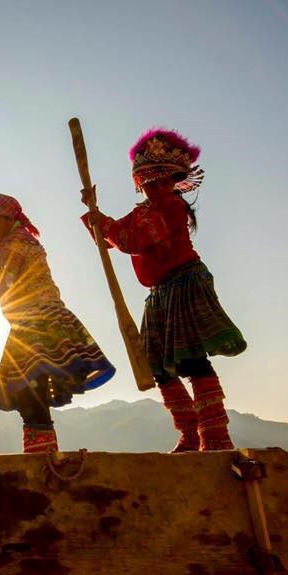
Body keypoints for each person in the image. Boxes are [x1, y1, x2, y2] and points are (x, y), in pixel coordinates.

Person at [81, 129, 246, 452]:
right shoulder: (142, 211)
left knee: (192, 359)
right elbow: (115, 235)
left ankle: (214, 436)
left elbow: (131, 241)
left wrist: (103, 221)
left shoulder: (171, 207)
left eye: (161, 182)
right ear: (140, 183)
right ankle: (188, 432)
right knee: (156, 365)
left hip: (185, 283)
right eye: (149, 183)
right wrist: (94, 210)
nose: (155, 188)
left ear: (172, 181)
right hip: (159, 292)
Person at [0, 193, 115, 454]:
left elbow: (4, 284)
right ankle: (43, 450)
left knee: (29, 390)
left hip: (38, 322)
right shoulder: (19, 239)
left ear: (6, 219)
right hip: (37, 321)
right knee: (30, 390)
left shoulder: (13, 243)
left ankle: (42, 453)